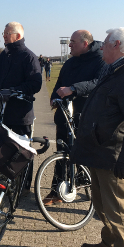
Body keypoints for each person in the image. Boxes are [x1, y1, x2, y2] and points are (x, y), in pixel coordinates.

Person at [70, 27, 124, 247]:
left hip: (113, 155)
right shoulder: (112, 70)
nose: (101, 46)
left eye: (104, 43)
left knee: (116, 207)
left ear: (116, 45)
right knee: (101, 203)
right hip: (99, 151)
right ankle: (109, 243)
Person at [43, 29, 105, 206]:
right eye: (69, 42)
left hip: (88, 115)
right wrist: (54, 96)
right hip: (65, 115)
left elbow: (98, 82)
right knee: (62, 152)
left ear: (85, 44)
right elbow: (60, 82)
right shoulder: (70, 63)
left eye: (73, 42)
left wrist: (74, 89)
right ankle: (57, 190)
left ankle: (99, 195)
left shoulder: (101, 59)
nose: (69, 45)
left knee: (89, 154)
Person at [0, 21, 42, 192]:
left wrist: (13, 91)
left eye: (7, 33)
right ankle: (1, 183)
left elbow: (35, 83)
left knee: (21, 153)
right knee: (0, 149)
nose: (4, 36)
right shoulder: (4, 56)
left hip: (21, 114)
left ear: (18, 36)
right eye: (4, 33)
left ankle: (23, 187)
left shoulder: (29, 57)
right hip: (2, 113)